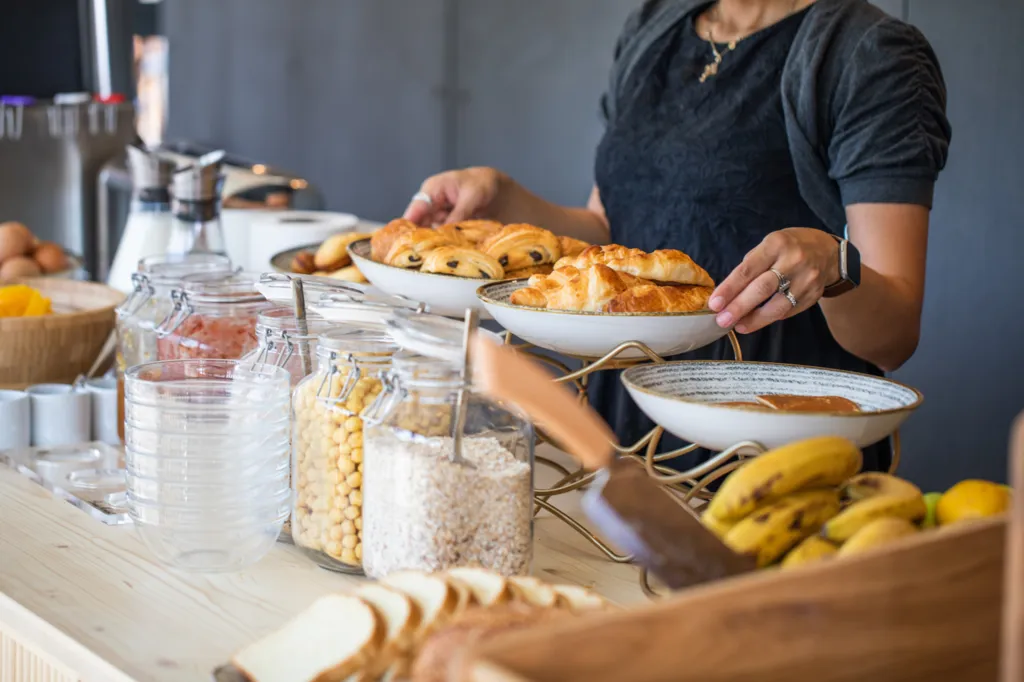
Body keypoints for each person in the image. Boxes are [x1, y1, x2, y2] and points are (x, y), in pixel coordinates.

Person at [403, 0, 951, 473]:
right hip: (633, 425)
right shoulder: (654, 27)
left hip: (774, 439)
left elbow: (894, 334)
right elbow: (611, 237)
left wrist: (834, 263)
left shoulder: (867, 54)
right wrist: (506, 200)